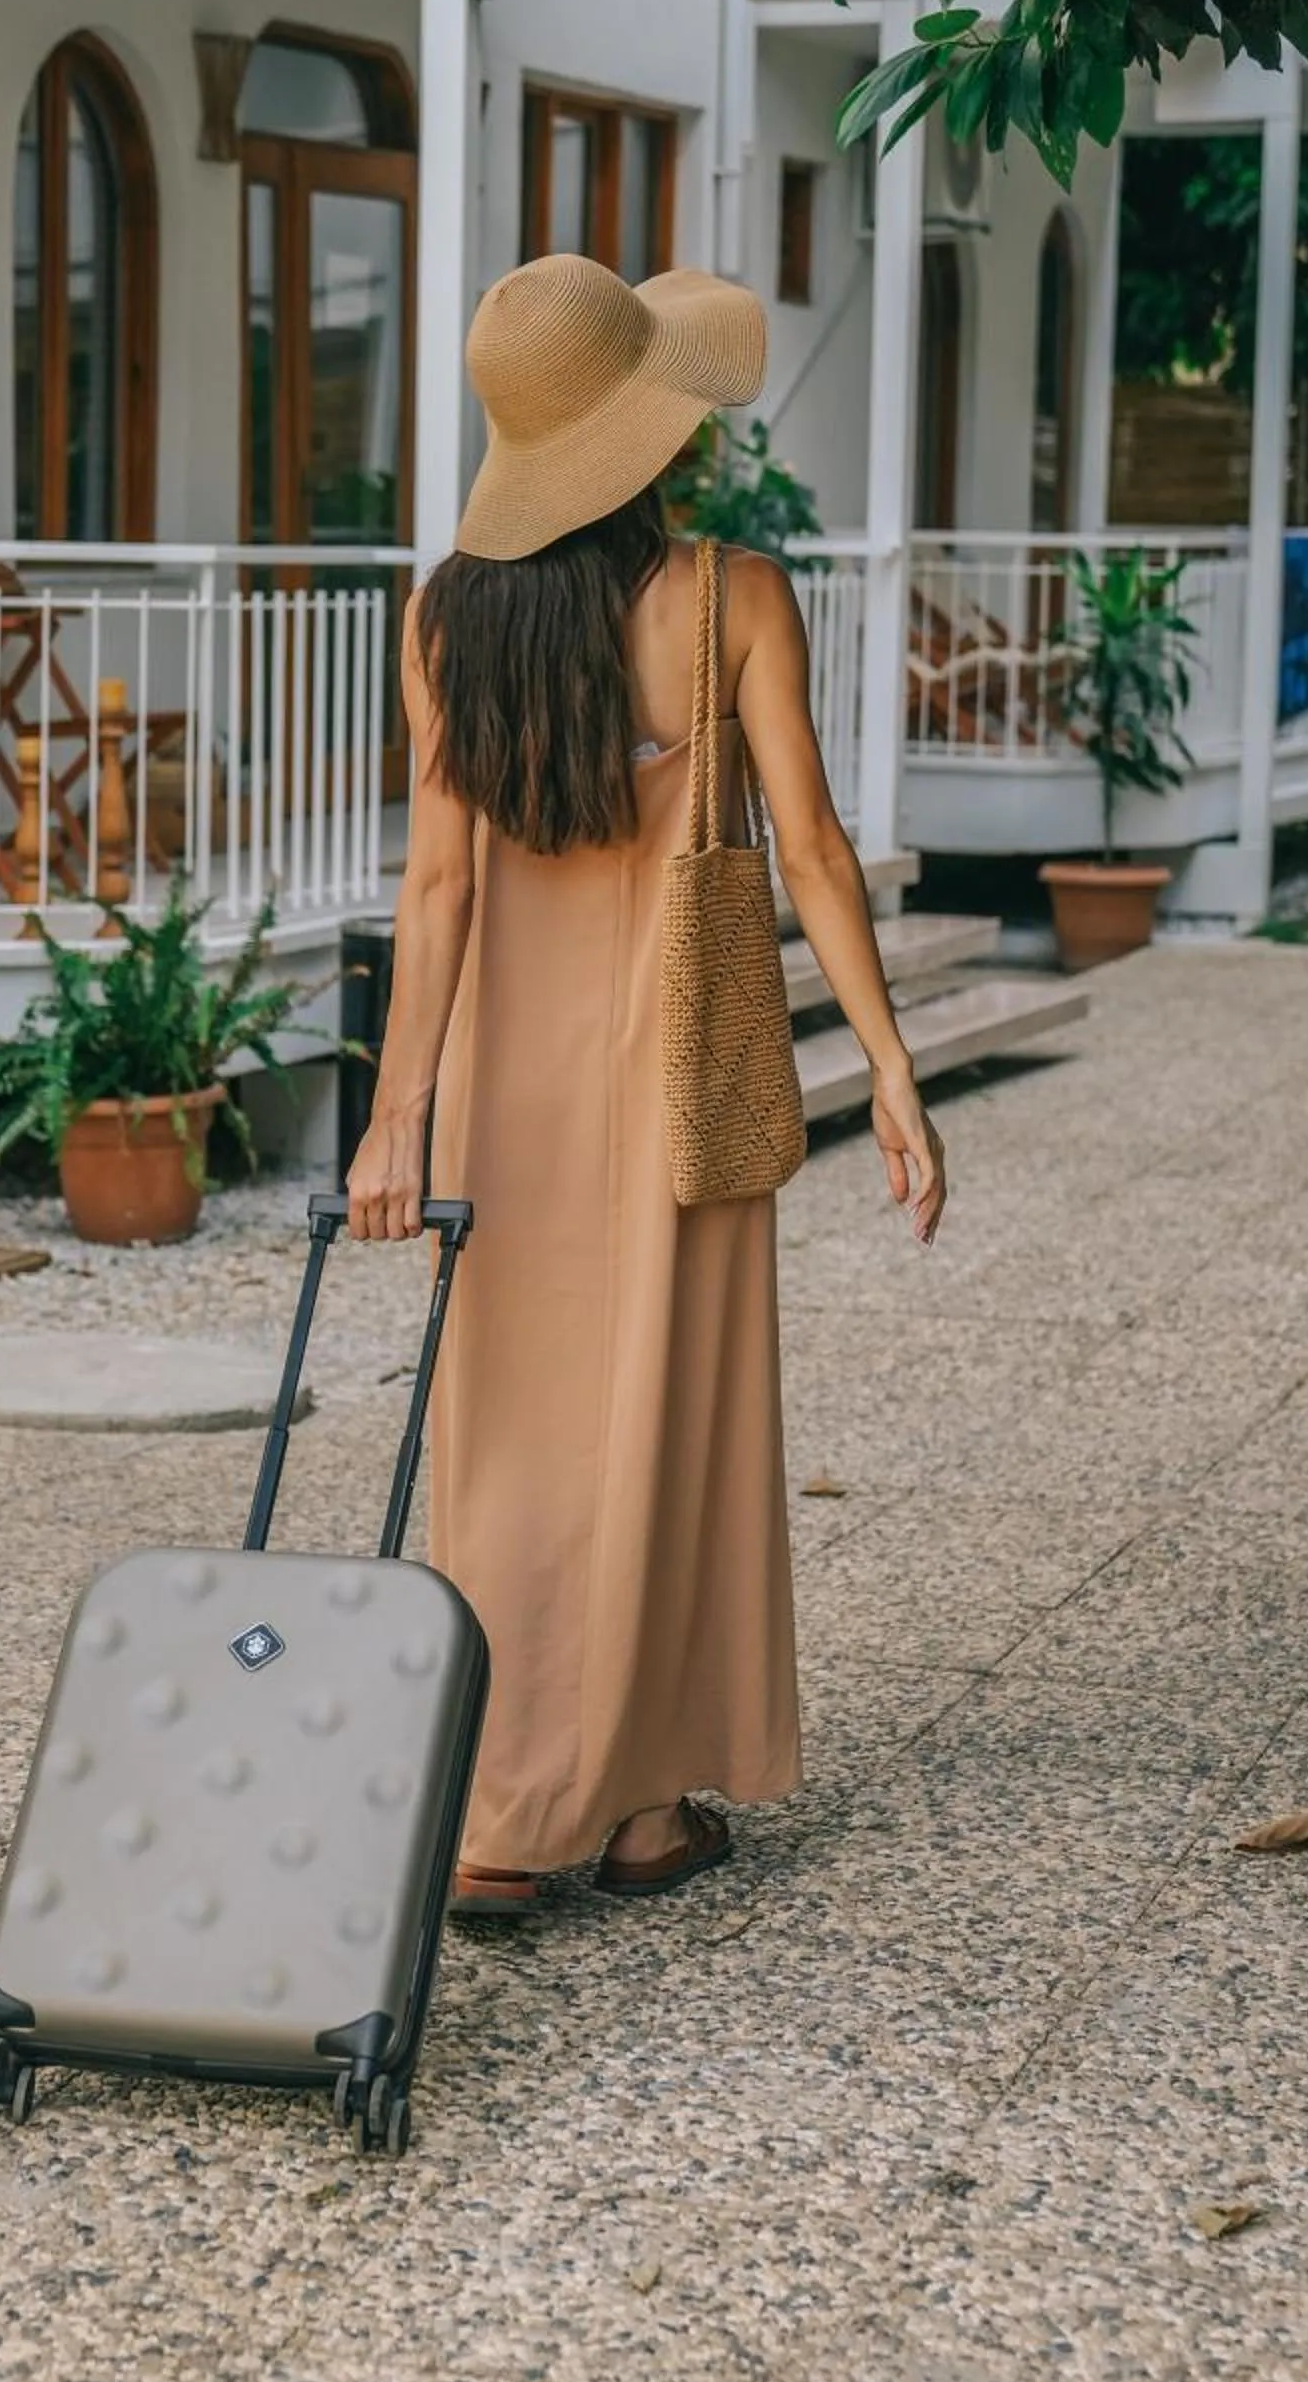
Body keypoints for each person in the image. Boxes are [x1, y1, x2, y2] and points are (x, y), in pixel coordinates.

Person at [347, 254, 946, 1912]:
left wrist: (397, 1113)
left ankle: (496, 1813)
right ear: (651, 436)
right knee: (672, 1418)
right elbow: (812, 847)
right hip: (684, 1074)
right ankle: (634, 1812)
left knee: (513, 1440)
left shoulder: (446, 614)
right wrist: (885, 1068)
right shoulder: (728, 596)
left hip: (502, 1091)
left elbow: (441, 888)